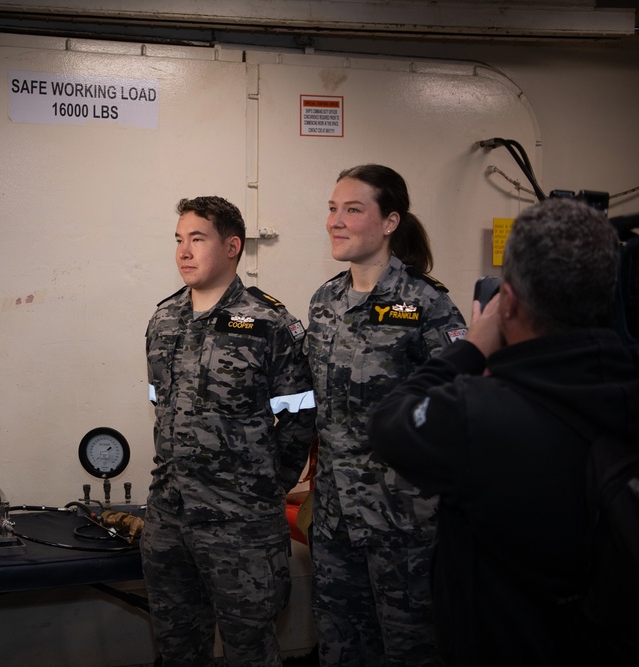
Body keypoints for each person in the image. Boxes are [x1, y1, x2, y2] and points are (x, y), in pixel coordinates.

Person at [368, 197, 639, 666]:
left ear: (508, 301)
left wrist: (473, 347)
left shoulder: (480, 415)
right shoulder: (621, 392)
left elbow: (391, 420)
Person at [142, 195, 316, 666]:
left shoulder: (270, 322)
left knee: (250, 649)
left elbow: (300, 417)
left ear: (233, 246)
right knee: (177, 647)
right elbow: (163, 408)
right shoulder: (163, 320)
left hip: (241, 524)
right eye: (179, 240)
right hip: (171, 518)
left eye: (197, 239)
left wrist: (264, 487)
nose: (184, 251)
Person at [306, 164, 467, 666]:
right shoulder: (324, 302)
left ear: (390, 222)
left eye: (353, 209)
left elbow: (461, 409)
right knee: (340, 648)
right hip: (334, 521)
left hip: (402, 523)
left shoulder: (428, 305)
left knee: (411, 651)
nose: (337, 220)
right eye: (333, 208)